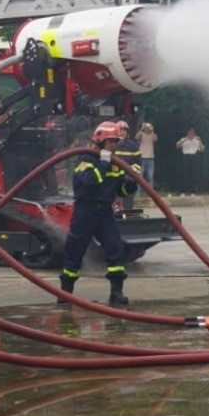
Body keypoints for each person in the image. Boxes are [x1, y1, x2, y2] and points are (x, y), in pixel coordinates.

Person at [60, 122, 138, 305]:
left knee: (115, 248)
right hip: (85, 211)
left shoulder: (115, 163)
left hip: (104, 212)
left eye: (115, 141)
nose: (114, 145)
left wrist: (132, 181)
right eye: (111, 141)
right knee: (75, 250)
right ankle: (66, 293)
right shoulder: (85, 160)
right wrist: (103, 164)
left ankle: (116, 293)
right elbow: (89, 182)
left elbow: (122, 191)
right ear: (100, 140)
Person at [114, 120, 142, 211]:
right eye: (120, 130)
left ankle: (129, 212)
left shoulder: (133, 145)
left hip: (129, 176)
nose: (122, 132)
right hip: (115, 176)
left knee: (128, 196)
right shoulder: (112, 145)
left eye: (124, 130)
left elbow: (138, 161)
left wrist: (134, 169)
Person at [176, 128, 205, 194]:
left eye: (193, 133)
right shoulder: (183, 139)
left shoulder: (196, 140)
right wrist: (186, 139)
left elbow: (202, 149)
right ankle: (185, 190)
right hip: (186, 157)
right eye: (190, 133)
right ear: (188, 134)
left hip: (194, 157)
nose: (191, 135)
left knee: (194, 174)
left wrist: (200, 140)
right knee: (185, 174)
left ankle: (193, 190)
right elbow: (177, 146)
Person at [135, 123, 158, 187]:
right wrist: (142, 129)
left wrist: (152, 131)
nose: (147, 128)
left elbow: (155, 139)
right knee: (140, 177)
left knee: (150, 177)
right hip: (142, 158)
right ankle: (137, 194)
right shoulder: (141, 134)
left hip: (150, 158)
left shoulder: (152, 135)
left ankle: (151, 195)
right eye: (146, 127)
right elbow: (136, 137)